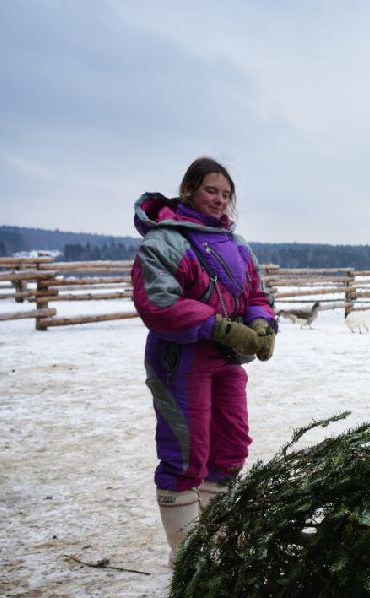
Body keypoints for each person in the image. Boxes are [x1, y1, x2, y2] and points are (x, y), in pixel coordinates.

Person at [131, 157, 277, 565]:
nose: (220, 200)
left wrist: (261, 325)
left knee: (230, 449)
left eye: (226, 194)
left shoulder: (239, 245)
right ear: (190, 189)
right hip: (182, 359)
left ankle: (219, 547)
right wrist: (218, 327)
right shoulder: (165, 242)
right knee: (185, 454)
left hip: (227, 362)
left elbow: (257, 295)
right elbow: (159, 303)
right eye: (212, 190)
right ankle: (188, 559)